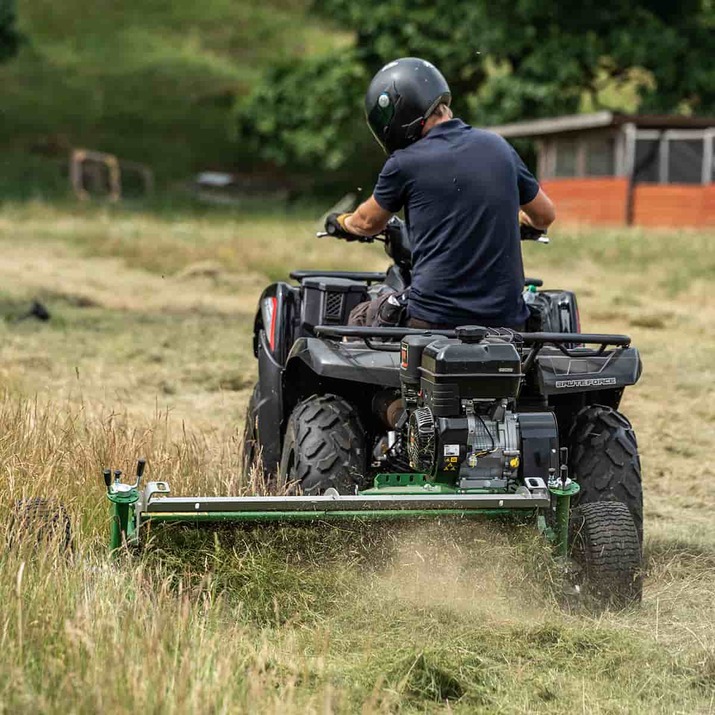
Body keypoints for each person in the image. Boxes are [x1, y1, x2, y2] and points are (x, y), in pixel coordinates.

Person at [325, 57, 555, 330]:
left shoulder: (404, 163)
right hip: (507, 322)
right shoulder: (498, 147)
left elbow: (366, 223)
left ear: (399, 111)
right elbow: (544, 215)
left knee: (362, 316)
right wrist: (521, 223)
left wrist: (341, 223)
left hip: (432, 320)